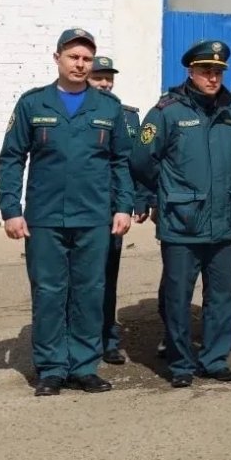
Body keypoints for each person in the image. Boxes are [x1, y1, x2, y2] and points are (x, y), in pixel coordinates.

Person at [0, 28, 134, 397]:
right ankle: (52, 368)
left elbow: (121, 161)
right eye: (73, 57)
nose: (80, 64)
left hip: (94, 217)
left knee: (90, 292)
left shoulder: (108, 107)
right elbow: (12, 158)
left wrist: (124, 206)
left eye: (87, 59)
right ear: (57, 57)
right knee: (49, 292)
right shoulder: (33, 104)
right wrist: (11, 209)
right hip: (45, 218)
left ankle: (84, 366)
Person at [132, 40, 231, 387]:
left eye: (218, 72)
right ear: (190, 71)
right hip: (182, 221)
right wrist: (162, 194)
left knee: (221, 296)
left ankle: (214, 360)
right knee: (178, 297)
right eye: (205, 71)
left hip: (223, 220)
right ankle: (181, 363)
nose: (212, 77)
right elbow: (142, 160)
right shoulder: (167, 111)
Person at [84, 55, 151, 366]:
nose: (105, 83)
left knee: (107, 278)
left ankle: (107, 340)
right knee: (79, 280)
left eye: (109, 78)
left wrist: (140, 200)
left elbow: (134, 163)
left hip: (113, 210)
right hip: (83, 208)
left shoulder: (127, 117)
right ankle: (79, 338)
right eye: (99, 77)